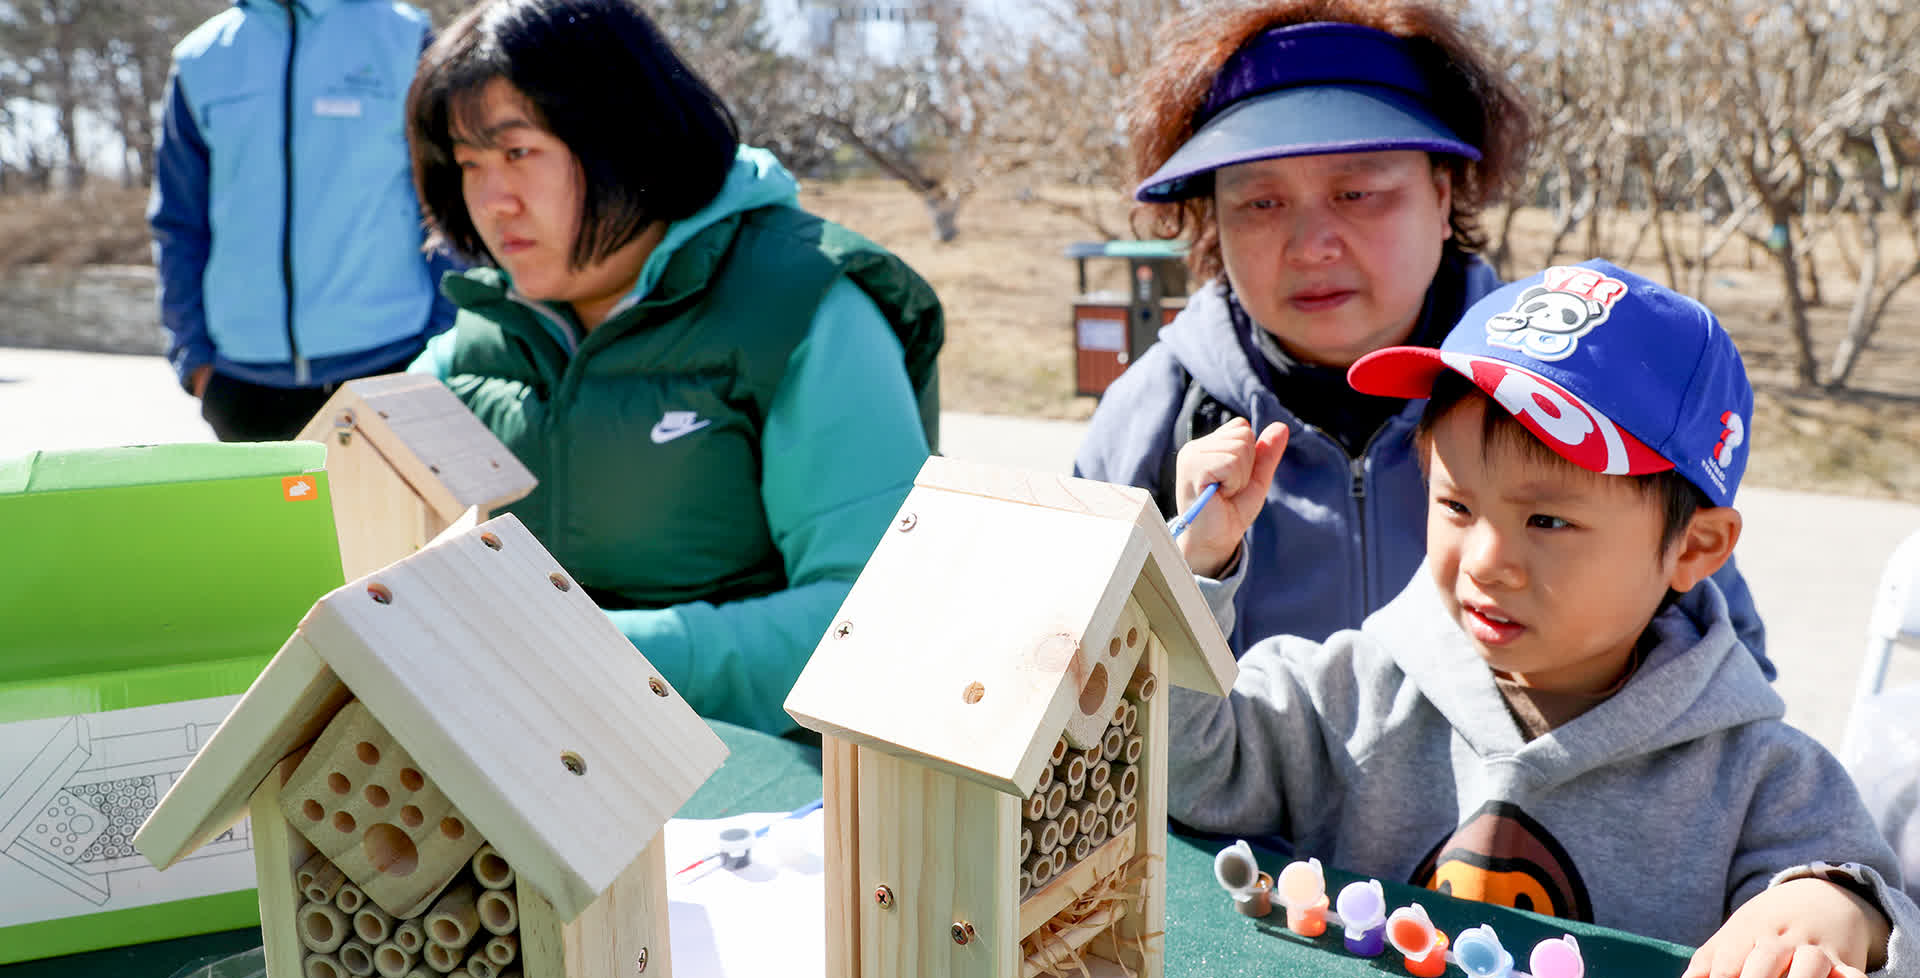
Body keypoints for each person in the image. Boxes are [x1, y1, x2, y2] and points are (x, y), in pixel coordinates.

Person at [1166, 260, 1917, 978]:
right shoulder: (1352, 689)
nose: (1486, 561)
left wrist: (1836, 912)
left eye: (1548, 521)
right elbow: (1186, 768)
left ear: (1695, 547)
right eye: (1457, 505)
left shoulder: (1759, 777)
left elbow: (1891, 930)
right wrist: (1196, 571)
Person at [1071, 1, 1773, 675]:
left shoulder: (1582, 392)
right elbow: (1074, 684)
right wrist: (1197, 570)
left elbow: (1724, 675)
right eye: (1260, 202)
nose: (1311, 245)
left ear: (1443, 197)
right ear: (1213, 224)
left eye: (1357, 193)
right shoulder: (1154, 418)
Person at [404, 0, 941, 736]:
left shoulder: (805, 309)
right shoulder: (468, 347)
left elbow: (873, 615)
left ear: (626, 138)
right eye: (469, 164)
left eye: (518, 152)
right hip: (513, 761)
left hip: (771, 778)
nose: (493, 202)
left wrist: (598, 658)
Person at [149, 0, 459, 442]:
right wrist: (195, 358)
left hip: (393, 365)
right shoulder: (201, 58)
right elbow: (178, 222)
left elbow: (449, 199)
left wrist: (443, 340)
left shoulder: (406, 38)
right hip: (243, 384)